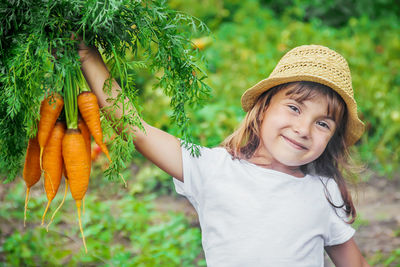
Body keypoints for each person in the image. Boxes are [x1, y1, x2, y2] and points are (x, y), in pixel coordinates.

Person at [79, 43, 370, 266]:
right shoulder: (214, 169)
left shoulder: (323, 191)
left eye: (322, 123)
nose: (303, 129)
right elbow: (137, 130)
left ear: (331, 138)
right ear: (264, 107)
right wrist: (87, 56)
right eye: (294, 108)